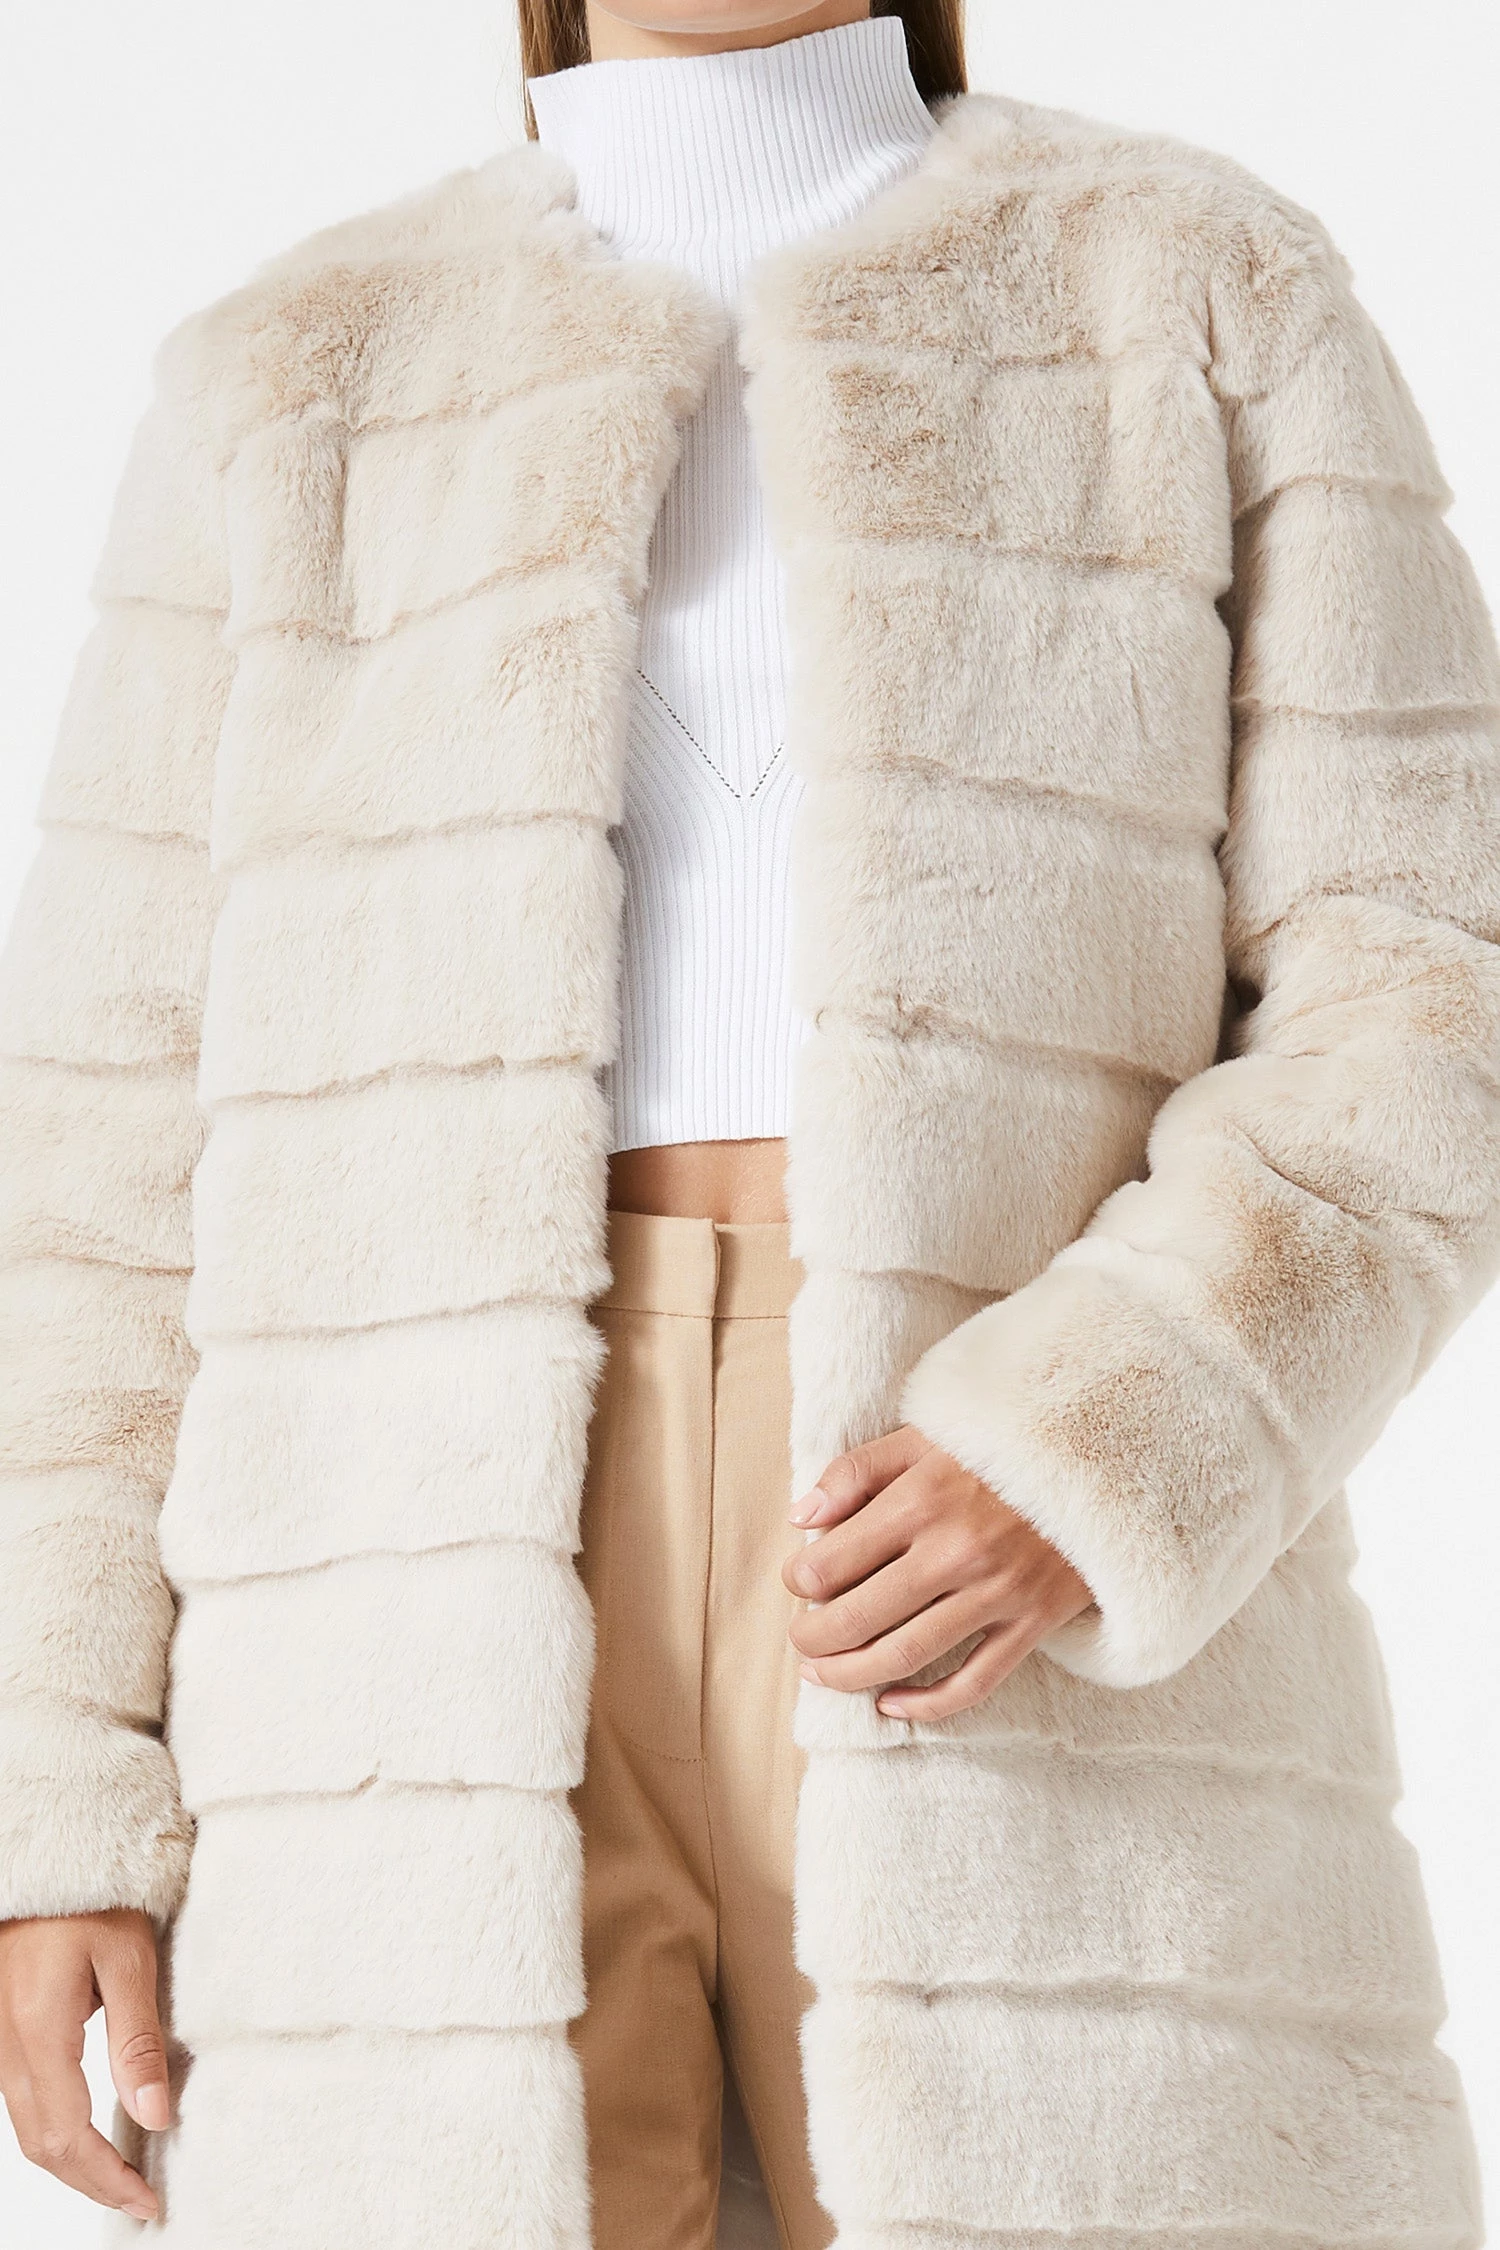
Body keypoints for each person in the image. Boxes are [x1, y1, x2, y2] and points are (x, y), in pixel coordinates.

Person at [1, 0, 1496, 2244]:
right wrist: (56, 1797)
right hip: (396, 1627)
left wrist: (1108, 1430)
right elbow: (97, 1174)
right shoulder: (287, 380)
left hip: (990, 1584)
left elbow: (1428, 976)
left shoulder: (1193, 291)